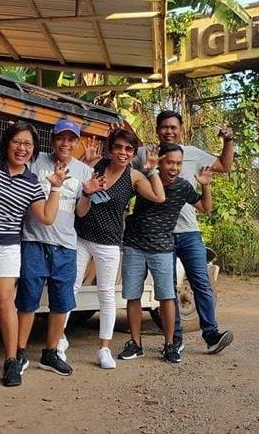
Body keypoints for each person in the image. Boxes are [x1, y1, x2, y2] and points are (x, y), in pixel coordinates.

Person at [0, 122, 68, 387]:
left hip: (8, 246)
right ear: (7, 143)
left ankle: (12, 362)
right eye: (17, 142)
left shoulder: (32, 182)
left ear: (33, 151)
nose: (22, 148)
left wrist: (55, 187)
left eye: (28, 145)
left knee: (5, 301)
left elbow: (46, 217)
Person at [135, 110, 235, 355]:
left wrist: (228, 141)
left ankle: (211, 334)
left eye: (173, 127)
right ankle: (175, 338)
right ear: (157, 130)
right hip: (159, 234)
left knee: (201, 283)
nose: (169, 131)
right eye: (164, 127)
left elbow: (223, 165)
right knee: (168, 289)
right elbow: (121, 163)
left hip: (189, 232)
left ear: (181, 129)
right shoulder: (144, 155)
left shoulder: (192, 154)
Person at [72, 129, 165, 369]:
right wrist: (85, 163)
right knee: (70, 287)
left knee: (106, 294)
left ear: (133, 153)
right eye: (118, 147)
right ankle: (58, 341)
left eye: (128, 149)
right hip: (82, 236)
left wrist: (153, 169)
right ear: (110, 149)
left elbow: (159, 196)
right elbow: (79, 194)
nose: (123, 153)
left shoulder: (133, 176)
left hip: (109, 242)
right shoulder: (97, 165)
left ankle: (104, 348)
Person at [16, 119, 97, 377]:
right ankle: (18, 352)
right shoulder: (36, 161)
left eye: (71, 139)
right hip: (34, 241)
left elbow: (82, 213)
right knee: (27, 300)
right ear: (53, 140)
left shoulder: (84, 171)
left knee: (61, 302)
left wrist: (87, 195)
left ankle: (50, 352)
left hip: (65, 245)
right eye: (61, 138)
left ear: (77, 142)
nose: (66, 143)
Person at [119, 143, 213, 364]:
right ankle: (135, 343)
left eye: (178, 163)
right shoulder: (143, 178)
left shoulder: (182, 187)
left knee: (167, 297)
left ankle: (170, 345)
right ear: (159, 162)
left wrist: (205, 186)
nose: (174, 168)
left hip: (162, 247)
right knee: (133, 295)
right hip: (134, 245)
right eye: (170, 162)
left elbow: (205, 208)